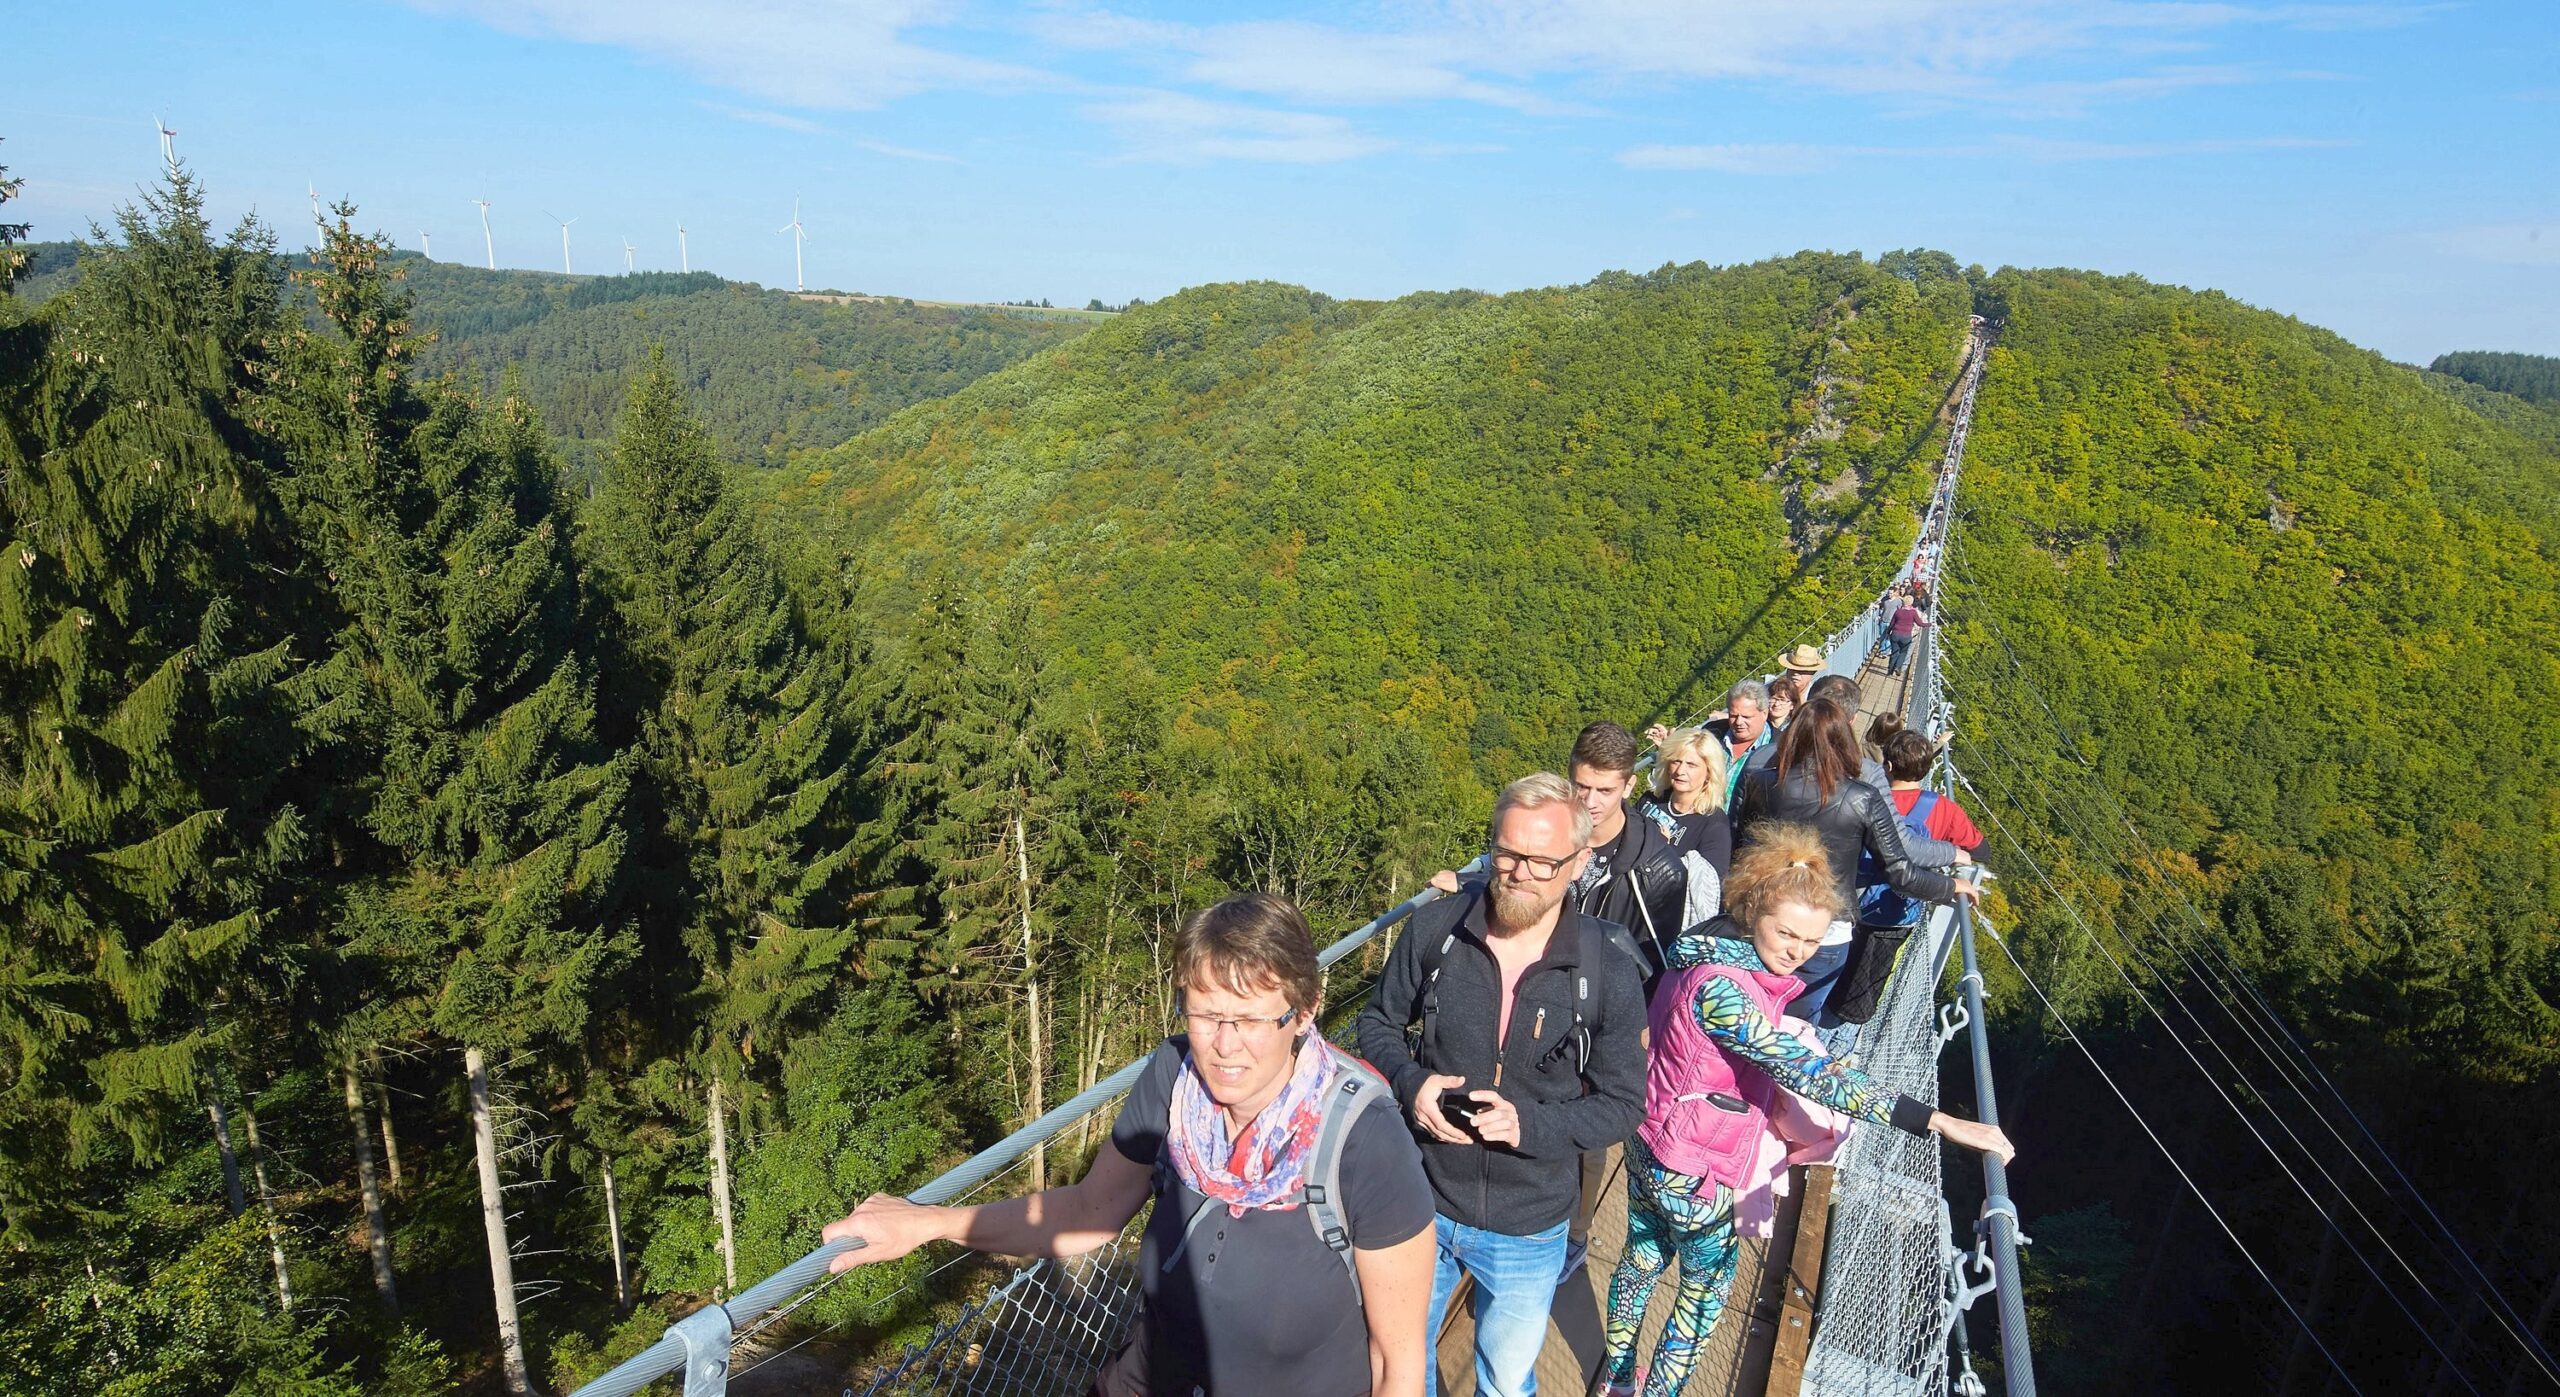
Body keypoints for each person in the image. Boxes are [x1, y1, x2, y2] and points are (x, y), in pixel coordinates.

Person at [825, 893, 1437, 1397]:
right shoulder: (1173, 1081)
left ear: (1304, 1013)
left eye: (1249, 1020)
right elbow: (1090, 1212)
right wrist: (927, 1223)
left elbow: (1398, 1365)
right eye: (1203, 1014)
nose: (1224, 1045)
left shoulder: (1364, 1141)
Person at [1598, 824, 2014, 1397]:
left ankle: (1618, 1383)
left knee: (1641, 1261)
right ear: (1752, 912)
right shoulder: (1726, 990)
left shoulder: (1704, 945)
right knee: (1702, 1298)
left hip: (1649, 1137)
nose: (1796, 952)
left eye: (1811, 942)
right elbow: (1808, 1073)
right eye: (1785, 933)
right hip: (1697, 1165)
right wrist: (1936, 1120)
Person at [1358, 774, 1649, 1397]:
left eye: (1543, 861)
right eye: (1507, 852)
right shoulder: (1436, 932)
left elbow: (1624, 1105)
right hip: (1418, 1202)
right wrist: (1411, 1082)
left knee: (1504, 1377)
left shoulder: (1607, 971)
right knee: (1395, 1363)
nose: (1518, 872)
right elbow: (1378, 1022)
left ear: (1579, 863)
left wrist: (1531, 1125)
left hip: (1530, 1221)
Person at [1731, 697, 1976, 1022]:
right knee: (1796, 1028)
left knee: (1743, 1014)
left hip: (1765, 918)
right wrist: (1950, 886)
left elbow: (1741, 849)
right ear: (1846, 740)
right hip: (1826, 928)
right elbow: (1899, 871)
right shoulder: (1863, 797)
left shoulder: (1760, 782)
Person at [1830, 722, 1987, 1037]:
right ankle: (1840, 1041)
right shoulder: (1943, 809)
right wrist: (1952, 851)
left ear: (1886, 765)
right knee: (1861, 995)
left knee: (1830, 974)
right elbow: (1982, 850)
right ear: (1927, 768)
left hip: (1846, 901)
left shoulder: (1865, 793)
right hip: (1895, 912)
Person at [1636, 726, 1733, 927]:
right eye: (1676, 762)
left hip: (1665, 921)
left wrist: (1663, 849)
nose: (1681, 771)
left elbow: (1706, 892)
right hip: (1631, 903)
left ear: (1709, 772)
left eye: (1691, 765)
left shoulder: (1714, 824)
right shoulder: (1651, 800)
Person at [1701, 679, 1773, 805]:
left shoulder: (1779, 747)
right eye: (1733, 716)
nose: (1738, 722)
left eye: (1746, 717)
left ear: (1764, 713)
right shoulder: (1712, 733)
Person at [1886, 593, 1927, 676]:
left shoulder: (1898, 611)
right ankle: (1898, 667)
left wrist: (1888, 632)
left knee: (1894, 653)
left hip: (1895, 634)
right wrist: (1930, 624)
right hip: (1906, 636)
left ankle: (1890, 671)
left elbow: (1892, 624)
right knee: (1903, 652)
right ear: (1911, 603)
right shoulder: (1913, 612)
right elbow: (1920, 624)